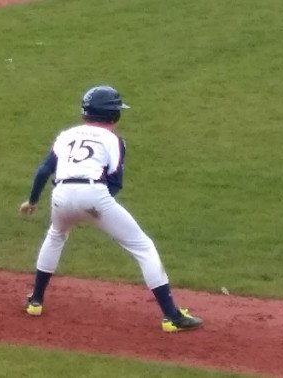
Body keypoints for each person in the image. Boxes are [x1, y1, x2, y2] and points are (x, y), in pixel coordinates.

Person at [19, 86, 204, 332]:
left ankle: (36, 301)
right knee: (143, 247)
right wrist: (95, 211)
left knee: (55, 235)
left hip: (60, 195)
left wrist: (32, 202)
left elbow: (44, 171)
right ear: (114, 116)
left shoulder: (66, 135)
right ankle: (172, 317)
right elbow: (115, 182)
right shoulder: (114, 140)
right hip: (95, 195)